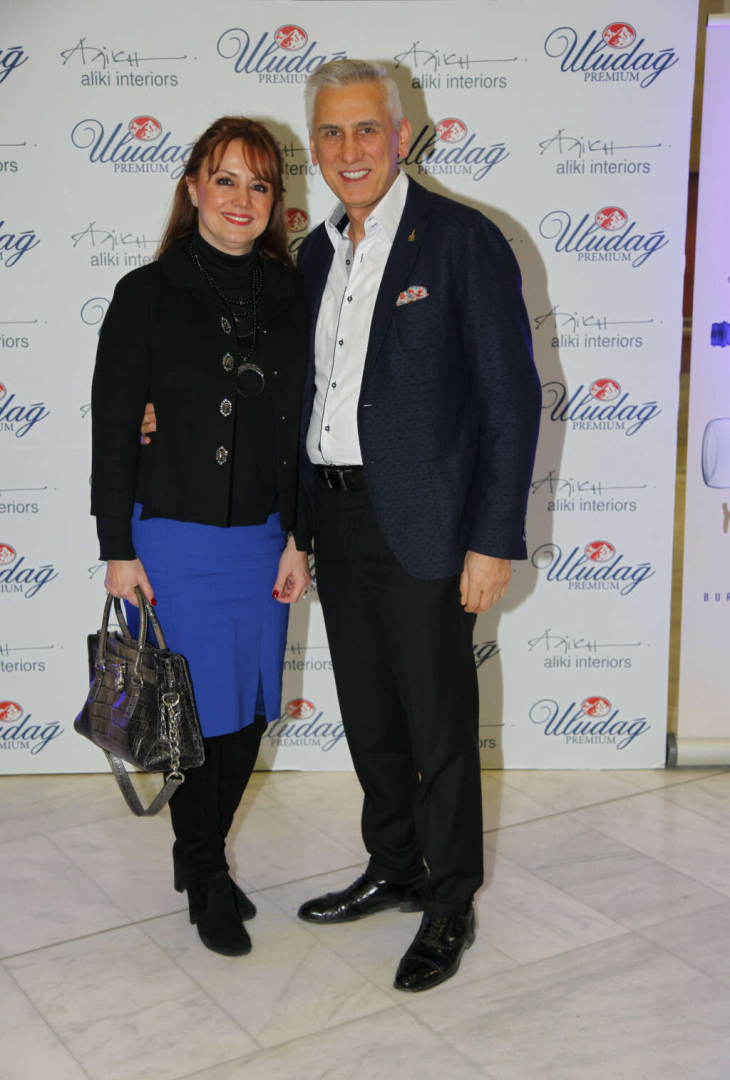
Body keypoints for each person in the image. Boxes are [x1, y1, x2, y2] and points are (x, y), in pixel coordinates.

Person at [293, 60, 541, 992]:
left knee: (440, 729)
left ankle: (450, 902)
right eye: (331, 132)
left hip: (430, 526)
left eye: (367, 129)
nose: (349, 149)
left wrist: (492, 538)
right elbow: (305, 395)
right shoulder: (313, 254)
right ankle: (395, 865)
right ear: (315, 145)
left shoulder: (460, 240)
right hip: (336, 517)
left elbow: (511, 400)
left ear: (401, 135)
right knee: (371, 715)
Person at [91, 116, 310, 958]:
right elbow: (115, 429)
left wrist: (299, 537)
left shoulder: (294, 294)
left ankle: (201, 855)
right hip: (173, 543)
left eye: (260, 184)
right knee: (192, 719)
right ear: (193, 188)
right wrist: (118, 549)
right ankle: (206, 871)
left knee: (248, 713)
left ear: (275, 201)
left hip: (263, 540)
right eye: (225, 179)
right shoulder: (145, 293)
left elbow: (304, 426)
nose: (242, 199)